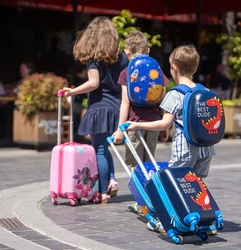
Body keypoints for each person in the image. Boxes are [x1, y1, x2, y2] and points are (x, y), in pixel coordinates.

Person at [125, 45, 216, 233]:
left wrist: (137, 125)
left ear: (173, 67)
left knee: (170, 184)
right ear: (196, 68)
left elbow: (164, 124)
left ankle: (163, 218)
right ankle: (204, 218)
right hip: (206, 148)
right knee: (195, 184)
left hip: (185, 149)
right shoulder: (204, 89)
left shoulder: (175, 94)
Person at [62, 16, 128, 204]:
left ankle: (102, 192)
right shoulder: (122, 57)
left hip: (99, 108)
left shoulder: (94, 59)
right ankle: (112, 181)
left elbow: (93, 83)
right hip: (116, 109)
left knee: (99, 149)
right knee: (105, 148)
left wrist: (72, 91)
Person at [111, 30, 169, 213]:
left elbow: (125, 102)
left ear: (126, 52)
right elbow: (163, 98)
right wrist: (166, 124)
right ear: (148, 50)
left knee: (134, 165)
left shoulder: (126, 72)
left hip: (133, 124)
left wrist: (120, 129)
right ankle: (150, 197)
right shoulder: (156, 70)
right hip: (153, 123)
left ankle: (142, 201)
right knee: (149, 162)